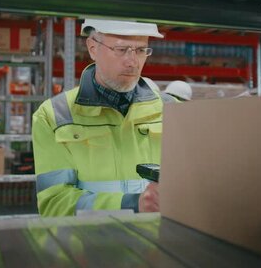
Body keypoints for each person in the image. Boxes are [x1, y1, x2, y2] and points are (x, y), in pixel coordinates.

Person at [32, 18, 174, 216]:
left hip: (161, 242)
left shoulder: (173, 110)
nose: (132, 61)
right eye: (121, 49)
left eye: (141, 50)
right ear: (92, 48)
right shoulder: (54, 116)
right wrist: (133, 205)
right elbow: (55, 204)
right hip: (94, 243)